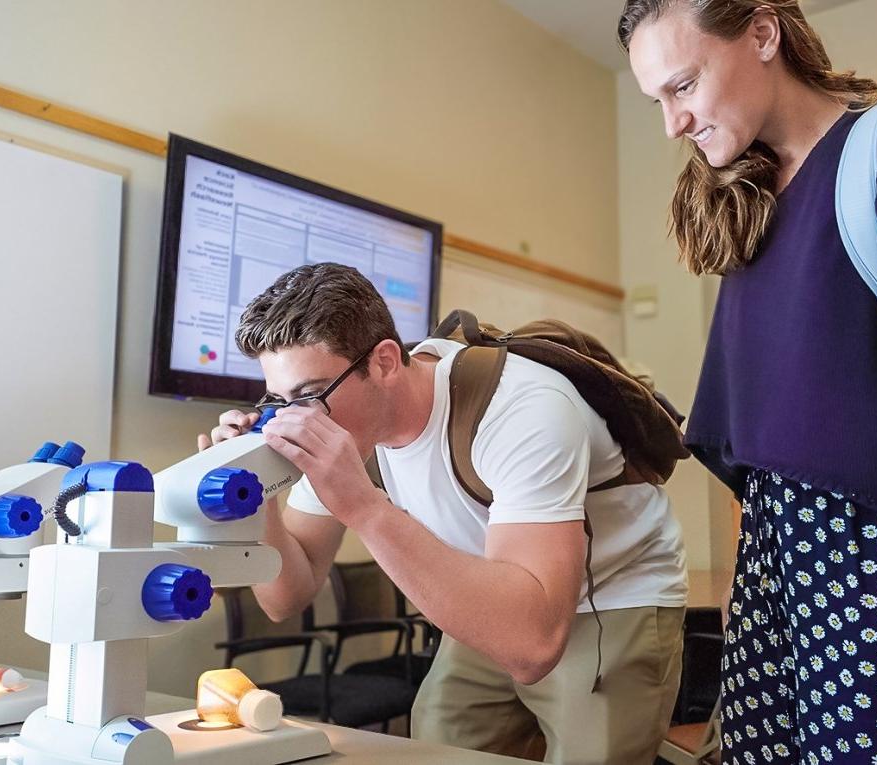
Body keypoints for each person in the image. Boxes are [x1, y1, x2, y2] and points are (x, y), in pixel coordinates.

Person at [619, 2, 877, 764]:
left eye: (683, 86)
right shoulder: (755, 194)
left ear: (764, 33)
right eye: (657, 102)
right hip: (774, 573)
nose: (673, 122)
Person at [201, 262, 688, 765]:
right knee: (437, 747)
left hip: (610, 595)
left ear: (386, 363)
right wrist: (253, 496)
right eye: (279, 401)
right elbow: (286, 595)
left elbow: (532, 644)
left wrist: (364, 508)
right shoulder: (344, 426)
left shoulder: (522, 408)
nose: (296, 420)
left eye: (309, 395)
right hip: (499, 592)